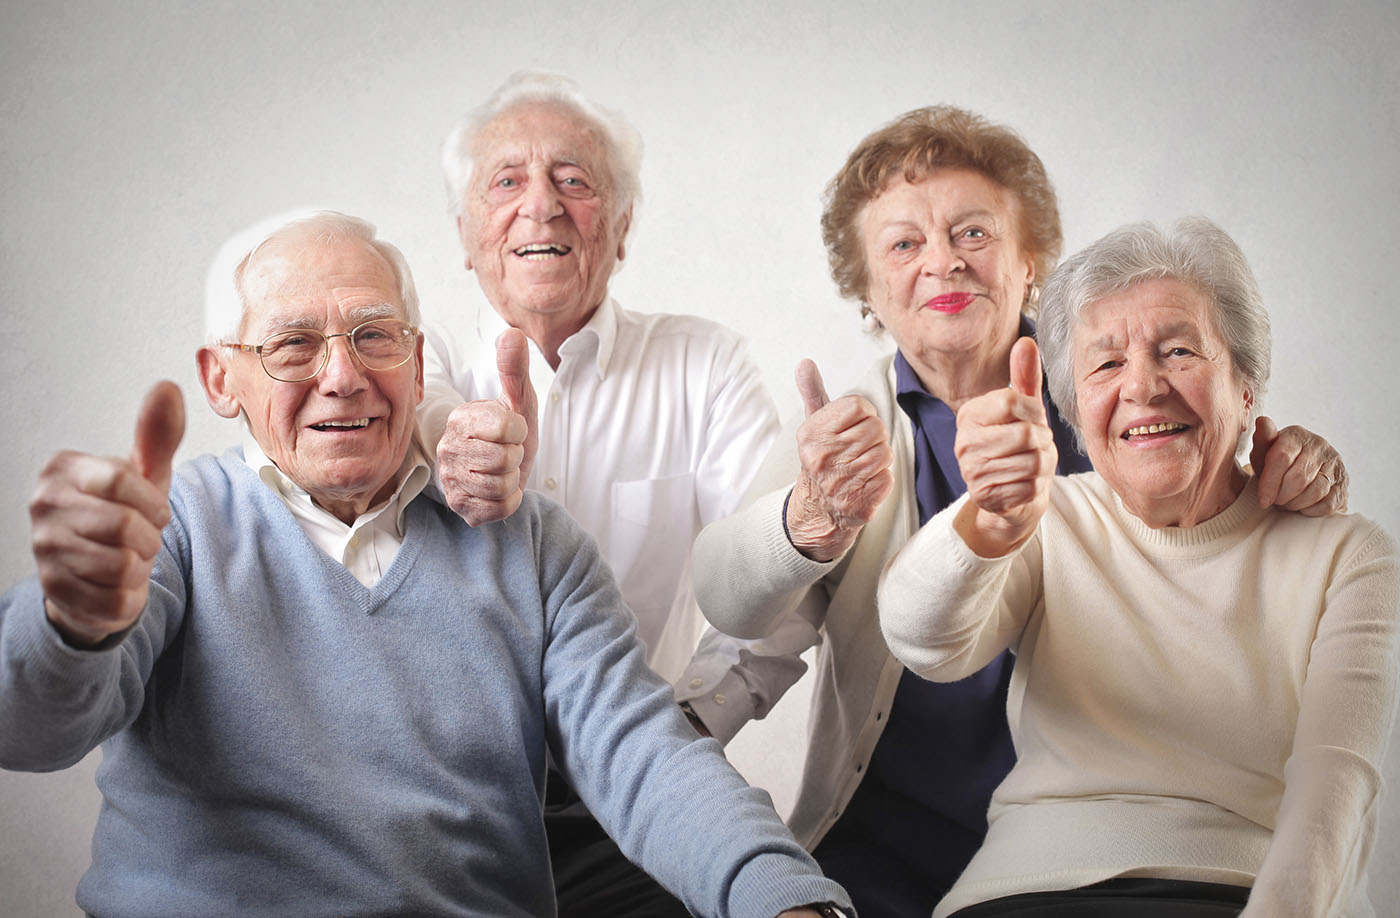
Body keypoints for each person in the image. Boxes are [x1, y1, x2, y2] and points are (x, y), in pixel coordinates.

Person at [0, 211, 853, 918]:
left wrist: (783, 900)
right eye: (293, 345)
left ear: (415, 358)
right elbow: (29, 730)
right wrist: (72, 625)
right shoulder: (173, 527)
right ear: (221, 379)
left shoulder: (533, 543)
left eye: (374, 335)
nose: (343, 376)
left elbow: (642, 754)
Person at [690, 106, 1350, 915]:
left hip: (1096, 847)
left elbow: (1233, 544)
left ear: (1031, 259)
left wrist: (1294, 475)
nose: (944, 264)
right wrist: (807, 518)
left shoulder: (1120, 404)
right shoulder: (843, 438)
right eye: (904, 244)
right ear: (866, 287)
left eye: (973, 233)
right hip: (889, 841)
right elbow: (730, 604)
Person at [877, 217, 1399, 918]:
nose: (1143, 388)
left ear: (1246, 387)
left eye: (1178, 350)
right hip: (1025, 895)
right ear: (1074, 412)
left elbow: (1338, 777)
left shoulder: (1346, 554)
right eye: (1106, 364)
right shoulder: (1049, 518)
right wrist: (989, 522)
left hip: (1241, 893)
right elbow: (923, 642)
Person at [418, 72, 802, 915]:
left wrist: (691, 725)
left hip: (630, 808)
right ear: (465, 233)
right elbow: (422, 429)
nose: (541, 206)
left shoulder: (705, 366)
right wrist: (459, 444)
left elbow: (779, 583)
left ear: (621, 230)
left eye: (574, 180)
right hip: (443, 812)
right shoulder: (414, 362)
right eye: (507, 181)